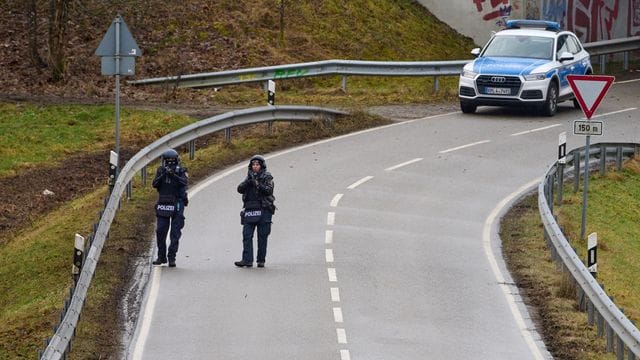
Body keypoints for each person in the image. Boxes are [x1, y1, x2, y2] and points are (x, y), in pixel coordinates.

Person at [235, 155, 276, 268]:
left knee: (262, 236)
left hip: (264, 209)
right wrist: (248, 182)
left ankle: (261, 260)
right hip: (250, 209)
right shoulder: (249, 177)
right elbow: (239, 189)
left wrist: (257, 184)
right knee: (246, 235)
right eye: (253, 164)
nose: (255, 167)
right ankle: (247, 260)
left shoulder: (267, 177)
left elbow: (268, 190)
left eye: (257, 164)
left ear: (261, 166)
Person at [152, 149, 188, 267]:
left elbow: (184, 182)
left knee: (175, 232)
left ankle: (172, 257)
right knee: (160, 231)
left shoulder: (181, 171)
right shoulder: (160, 171)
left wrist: (173, 176)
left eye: (172, 162)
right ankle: (161, 256)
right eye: (168, 162)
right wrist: (164, 174)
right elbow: (154, 184)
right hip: (164, 203)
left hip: (177, 204)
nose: (170, 164)